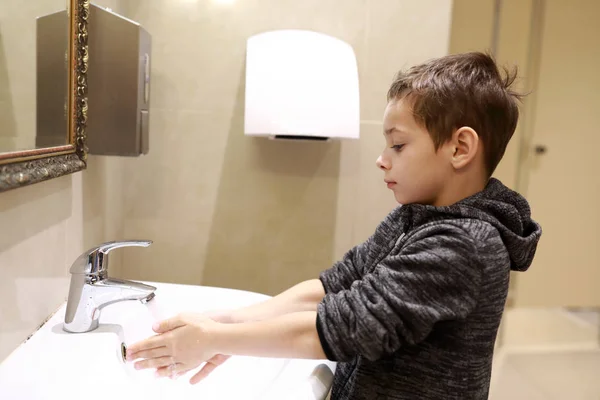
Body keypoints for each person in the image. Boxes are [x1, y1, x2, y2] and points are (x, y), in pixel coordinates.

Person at [126, 51, 542, 399]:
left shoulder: (461, 245)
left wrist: (214, 339)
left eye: (398, 144)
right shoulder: (414, 218)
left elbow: (337, 329)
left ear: (460, 148)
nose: (383, 158)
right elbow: (332, 287)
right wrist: (228, 323)